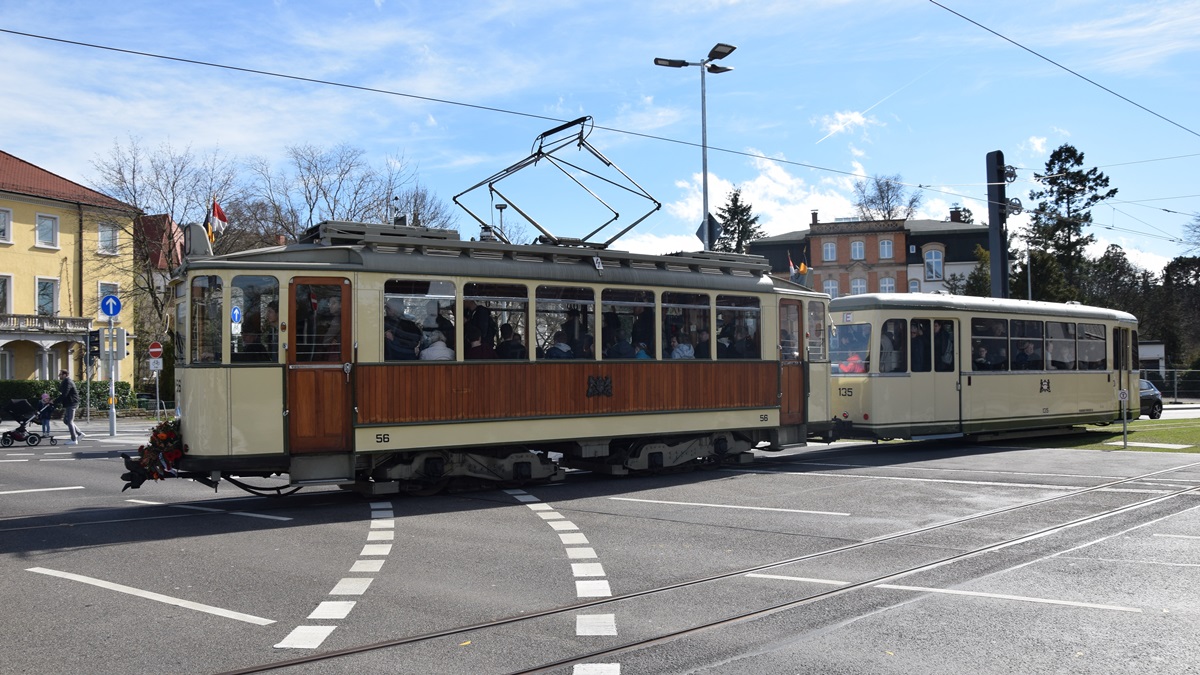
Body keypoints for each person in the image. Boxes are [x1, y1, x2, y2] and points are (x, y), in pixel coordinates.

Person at [56, 369, 83, 445]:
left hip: (72, 403)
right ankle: (79, 434)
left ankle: (74, 439)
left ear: (65, 375)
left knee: (70, 421)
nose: (59, 376)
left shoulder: (68, 382)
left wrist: (54, 401)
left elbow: (65, 394)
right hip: (69, 403)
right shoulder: (65, 382)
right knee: (66, 420)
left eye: (60, 374)